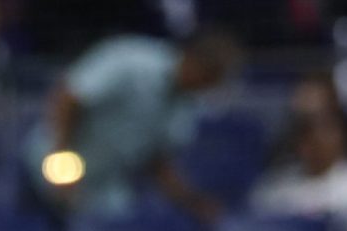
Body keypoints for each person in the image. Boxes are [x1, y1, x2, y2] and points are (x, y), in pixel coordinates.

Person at [28, 29, 238, 221]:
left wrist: (192, 202)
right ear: (195, 62)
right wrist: (63, 161)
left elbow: (156, 160)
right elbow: (69, 97)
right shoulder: (133, 61)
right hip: (51, 161)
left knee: (119, 227)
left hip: (101, 185)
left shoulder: (188, 103)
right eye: (209, 78)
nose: (208, 88)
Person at [251, 112, 347, 231]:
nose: (313, 143)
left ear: (341, 137)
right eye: (306, 136)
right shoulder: (279, 185)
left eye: (324, 133)